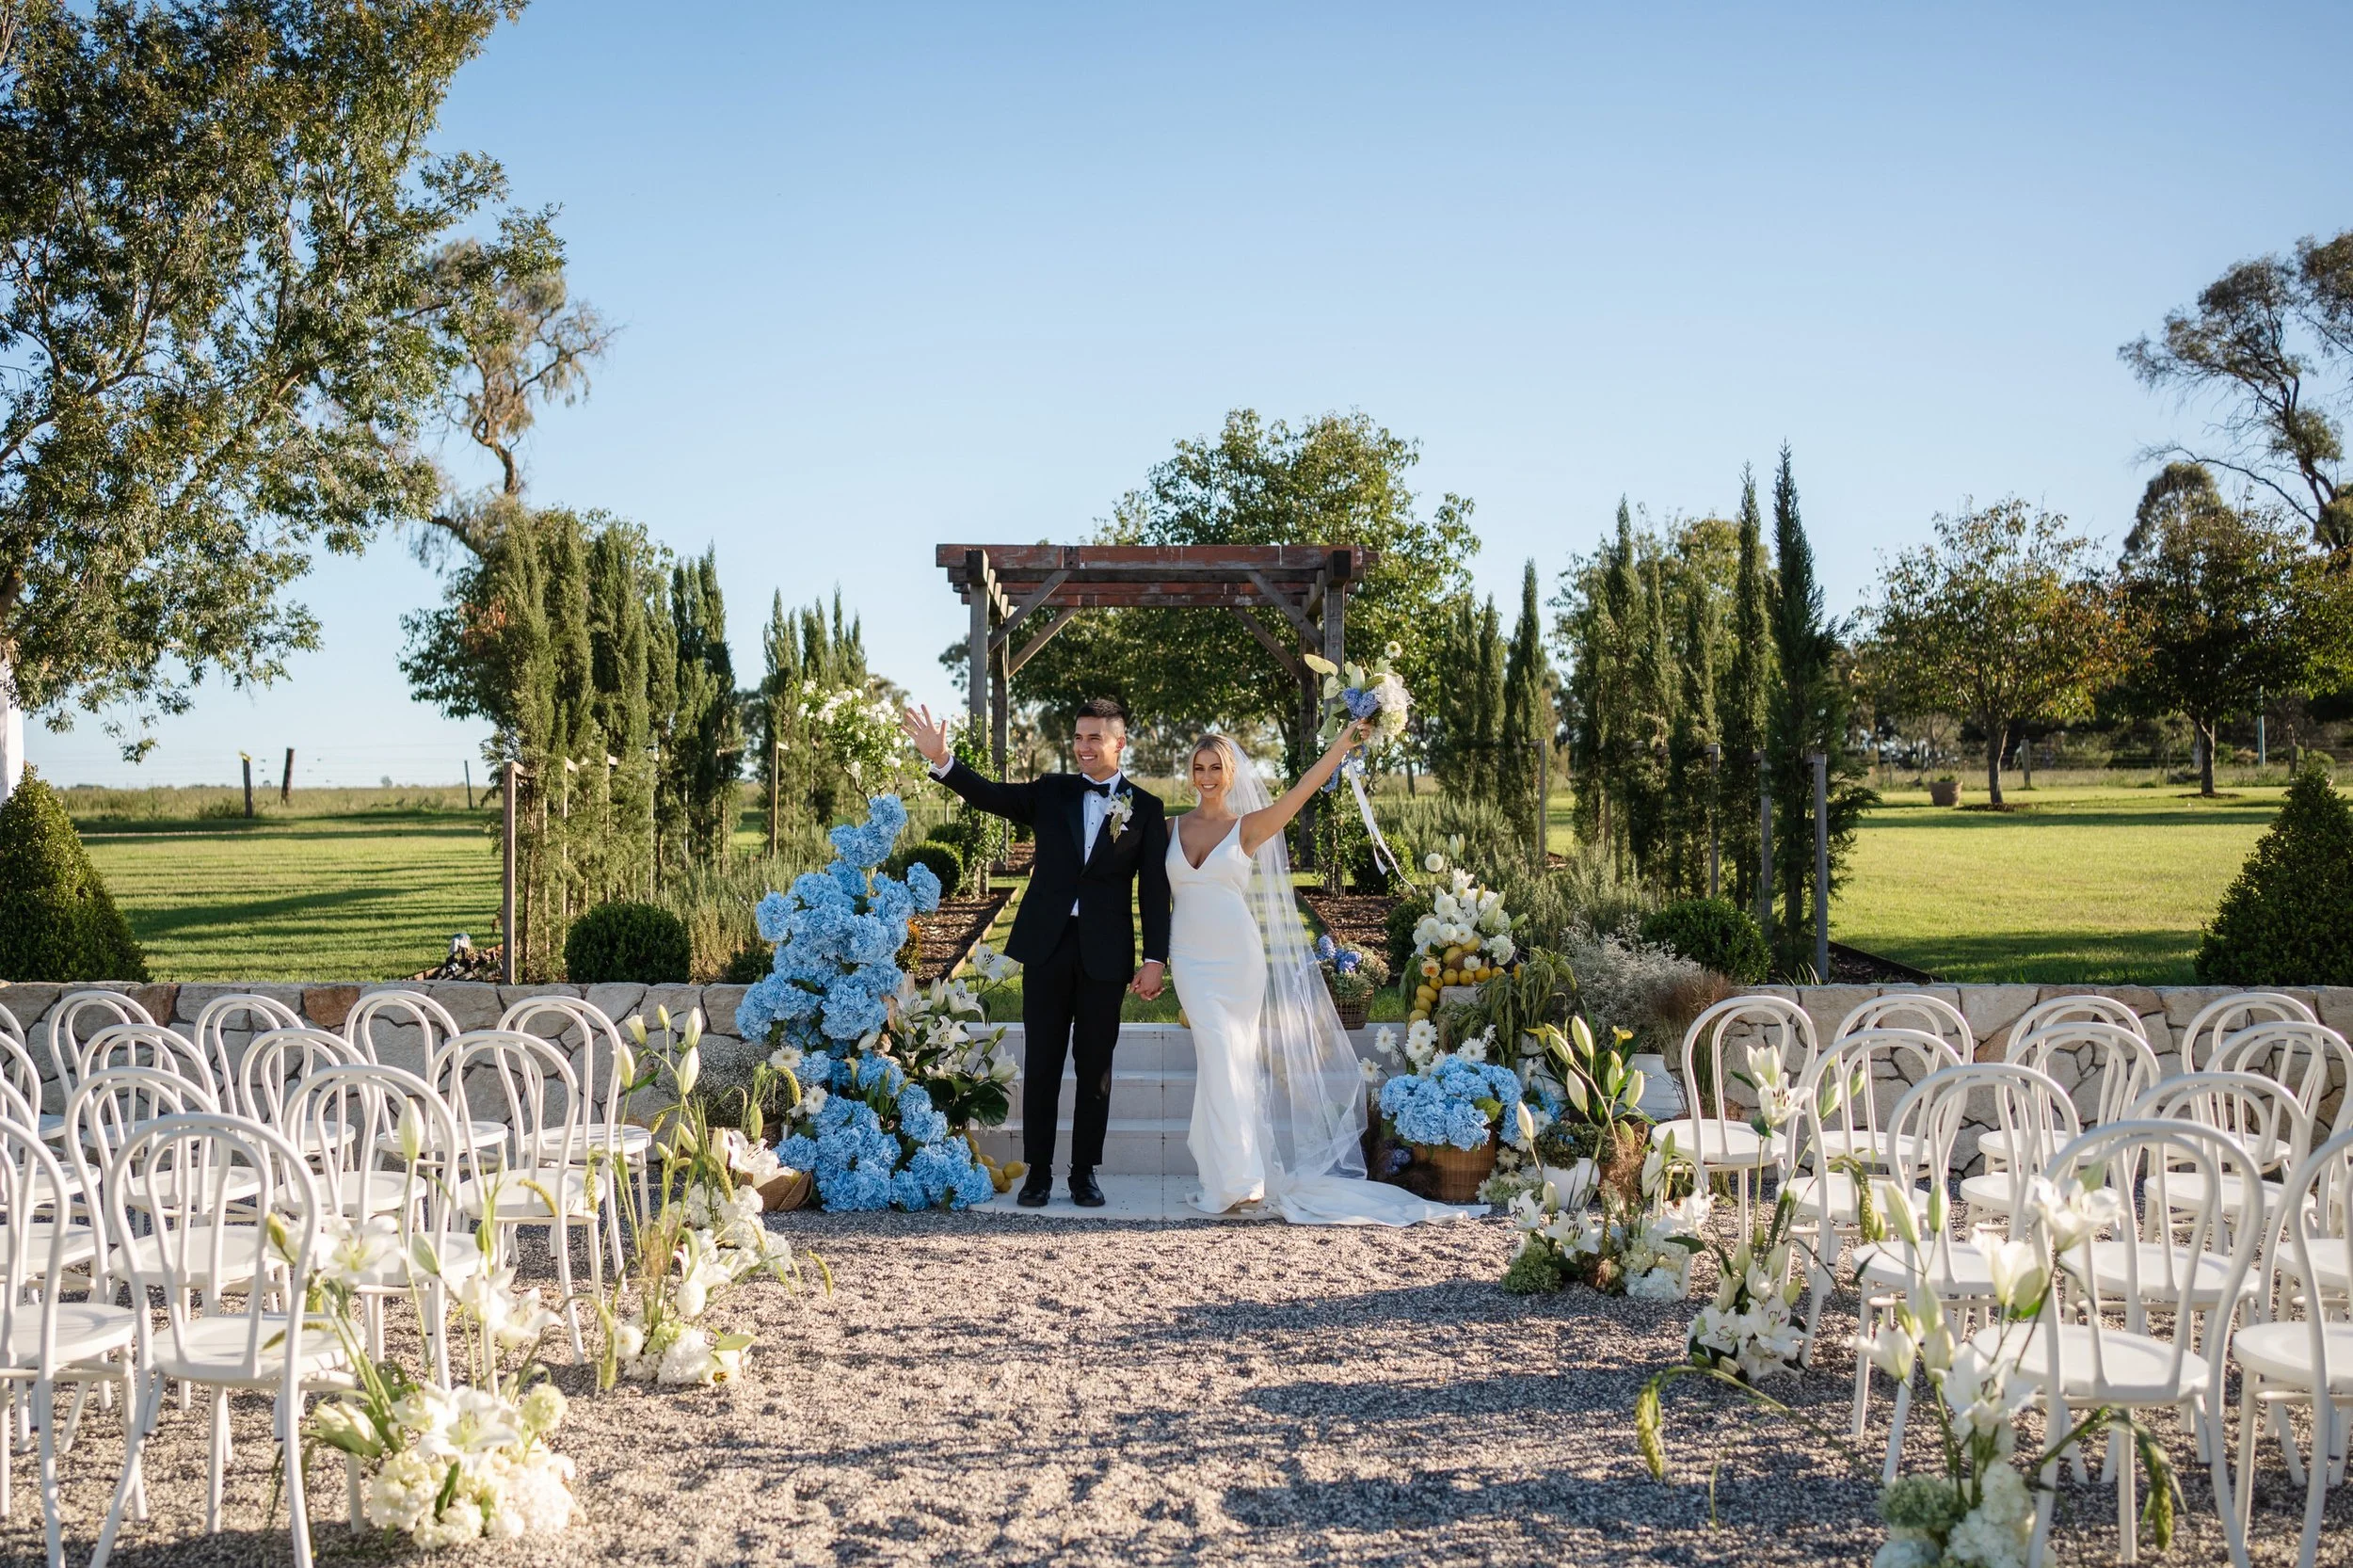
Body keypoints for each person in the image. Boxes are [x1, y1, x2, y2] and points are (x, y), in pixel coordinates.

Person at [1170, 728, 1478, 1224]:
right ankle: (1230, 1175)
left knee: (1229, 1059)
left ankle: (1238, 1179)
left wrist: (1339, 746)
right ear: (1190, 773)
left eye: (1215, 768)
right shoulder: (1169, 828)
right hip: (1190, 959)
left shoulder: (1246, 827)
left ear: (1230, 775)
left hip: (1237, 961)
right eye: (1199, 768)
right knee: (1218, 1056)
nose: (1206, 777)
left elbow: (1300, 792)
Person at [899, 697, 1168, 1208]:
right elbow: (990, 796)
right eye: (1078, 737)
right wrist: (943, 760)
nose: (1083, 747)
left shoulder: (1147, 809)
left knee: (1096, 1069)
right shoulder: (1053, 792)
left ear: (1120, 742)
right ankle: (1038, 1174)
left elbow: (1154, 889)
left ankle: (1084, 1173)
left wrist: (1156, 957)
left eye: (1094, 738)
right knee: (1042, 1064)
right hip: (1046, 947)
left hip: (1105, 956)